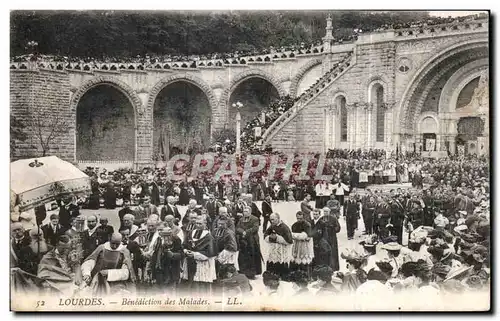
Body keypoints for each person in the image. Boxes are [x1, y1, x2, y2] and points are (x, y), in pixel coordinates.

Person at [180, 216, 217, 295]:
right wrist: (186, 251)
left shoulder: (209, 237)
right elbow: (184, 245)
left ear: (205, 224)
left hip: (203, 264)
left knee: (202, 285)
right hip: (190, 262)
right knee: (191, 283)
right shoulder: (191, 233)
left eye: (200, 223)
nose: (198, 225)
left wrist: (194, 254)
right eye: (196, 223)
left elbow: (210, 253)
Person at [151, 227, 183, 294]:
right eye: (164, 235)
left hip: (171, 271)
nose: (166, 237)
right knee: (160, 293)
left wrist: (173, 255)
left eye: (168, 234)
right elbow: (155, 255)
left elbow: (182, 254)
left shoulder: (176, 240)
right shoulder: (158, 240)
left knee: (170, 293)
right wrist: (152, 271)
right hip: (159, 270)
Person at [264, 213, 293, 281]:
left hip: (281, 251)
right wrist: (269, 238)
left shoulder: (284, 227)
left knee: (281, 265)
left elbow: (289, 240)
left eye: (273, 219)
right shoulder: (271, 226)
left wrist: (277, 238)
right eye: (271, 220)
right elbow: (265, 234)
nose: (272, 221)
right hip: (273, 250)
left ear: (278, 218)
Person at [235, 206, 262, 279]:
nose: (245, 213)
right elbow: (237, 228)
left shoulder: (255, 219)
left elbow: (255, 228)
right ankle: (243, 271)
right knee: (243, 257)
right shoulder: (241, 219)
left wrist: (246, 232)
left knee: (252, 256)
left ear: (250, 212)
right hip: (243, 241)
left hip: (252, 240)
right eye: (244, 211)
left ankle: (252, 273)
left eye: (246, 211)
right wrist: (242, 232)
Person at [290, 211, 314, 276]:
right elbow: (292, 236)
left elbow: (307, 237)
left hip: (305, 245)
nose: (299, 220)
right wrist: (299, 236)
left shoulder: (307, 225)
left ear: (303, 217)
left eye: (300, 218)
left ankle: (306, 276)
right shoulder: (294, 225)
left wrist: (296, 236)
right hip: (296, 245)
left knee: (304, 259)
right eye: (298, 218)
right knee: (296, 258)